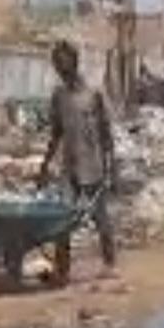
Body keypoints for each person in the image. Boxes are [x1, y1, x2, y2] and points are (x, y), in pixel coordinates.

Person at [38, 40, 117, 283]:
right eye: (57, 66)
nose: (61, 70)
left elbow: (106, 133)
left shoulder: (93, 94)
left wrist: (112, 166)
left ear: (74, 63)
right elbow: (56, 133)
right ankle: (62, 270)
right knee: (63, 220)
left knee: (100, 217)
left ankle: (110, 264)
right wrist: (44, 165)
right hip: (69, 166)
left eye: (64, 64)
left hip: (93, 165)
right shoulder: (59, 96)